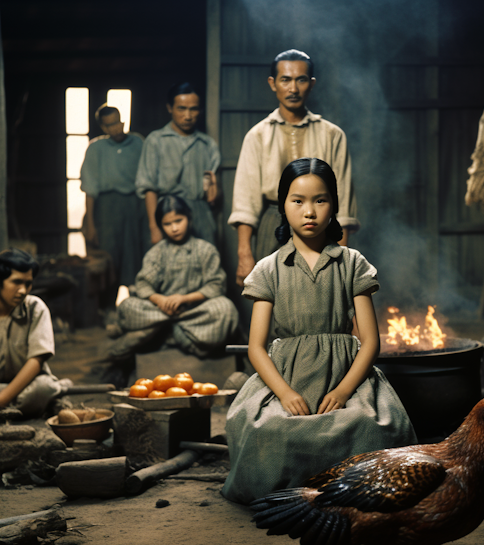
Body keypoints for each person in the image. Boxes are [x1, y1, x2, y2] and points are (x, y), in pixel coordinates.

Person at [222, 158, 416, 504]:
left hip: (345, 372)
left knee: (373, 426)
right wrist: (284, 394)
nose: (309, 211)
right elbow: (256, 348)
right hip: (287, 375)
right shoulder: (268, 269)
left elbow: (370, 342)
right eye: (298, 201)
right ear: (283, 206)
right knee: (264, 428)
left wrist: (342, 392)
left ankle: (347, 496)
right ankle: (291, 500)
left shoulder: (352, 263)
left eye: (320, 200)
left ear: (335, 205)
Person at [228, 49, 360, 288]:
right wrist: (244, 254)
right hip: (272, 222)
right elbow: (245, 202)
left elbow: (343, 203)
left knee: (322, 298)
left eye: (301, 80)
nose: (293, 88)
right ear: (273, 83)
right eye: (285, 80)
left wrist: (343, 258)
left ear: (311, 84)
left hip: (321, 223)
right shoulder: (257, 135)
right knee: (270, 299)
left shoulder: (332, 135)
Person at [108, 196, 239, 360]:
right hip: (160, 310)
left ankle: (166, 330)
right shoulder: (156, 253)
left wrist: (184, 299)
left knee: (226, 308)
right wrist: (160, 300)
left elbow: (216, 286)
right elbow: (143, 285)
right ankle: (177, 330)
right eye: (167, 224)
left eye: (179, 220)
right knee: (127, 306)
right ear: (160, 226)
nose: (174, 228)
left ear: (189, 218)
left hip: (194, 312)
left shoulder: (205, 250)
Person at [135, 82, 221, 248]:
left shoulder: (207, 144)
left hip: (200, 215)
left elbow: (214, 189)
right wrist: (155, 227)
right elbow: (149, 188)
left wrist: (213, 192)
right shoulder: (156, 141)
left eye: (193, 109)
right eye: (181, 108)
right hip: (167, 214)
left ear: (200, 110)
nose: (188, 116)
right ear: (170, 108)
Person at [80, 105, 147, 302]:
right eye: (109, 125)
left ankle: (137, 305)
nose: (115, 128)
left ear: (122, 121)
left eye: (118, 123)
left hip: (135, 207)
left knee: (134, 254)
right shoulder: (95, 148)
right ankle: (106, 307)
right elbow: (90, 189)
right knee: (109, 256)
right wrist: (91, 224)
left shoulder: (138, 143)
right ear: (103, 127)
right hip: (106, 211)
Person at [0, 249, 72, 418]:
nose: (23, 290)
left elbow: (36, 361)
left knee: (42, 389)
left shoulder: (35, 308)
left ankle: (52, 391)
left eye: (28, 284)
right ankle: (47, 399)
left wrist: (2, 399)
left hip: (29, 384)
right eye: (16, 282)